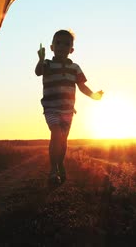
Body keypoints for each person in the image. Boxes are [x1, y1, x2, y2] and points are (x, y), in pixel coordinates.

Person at [35, 29, 103, 184]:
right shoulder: (48, 64)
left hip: (68, 111)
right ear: (52, 47)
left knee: (63, 141)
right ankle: (53, 170)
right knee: (56, 134)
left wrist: (94, 96)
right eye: (58, 43)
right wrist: (40, 59)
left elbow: (82, 86)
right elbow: (38, 72)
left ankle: (60, 163)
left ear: (71, 50)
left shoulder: (75, 68)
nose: (61, 46)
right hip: (51, 108)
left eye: (66, 44)